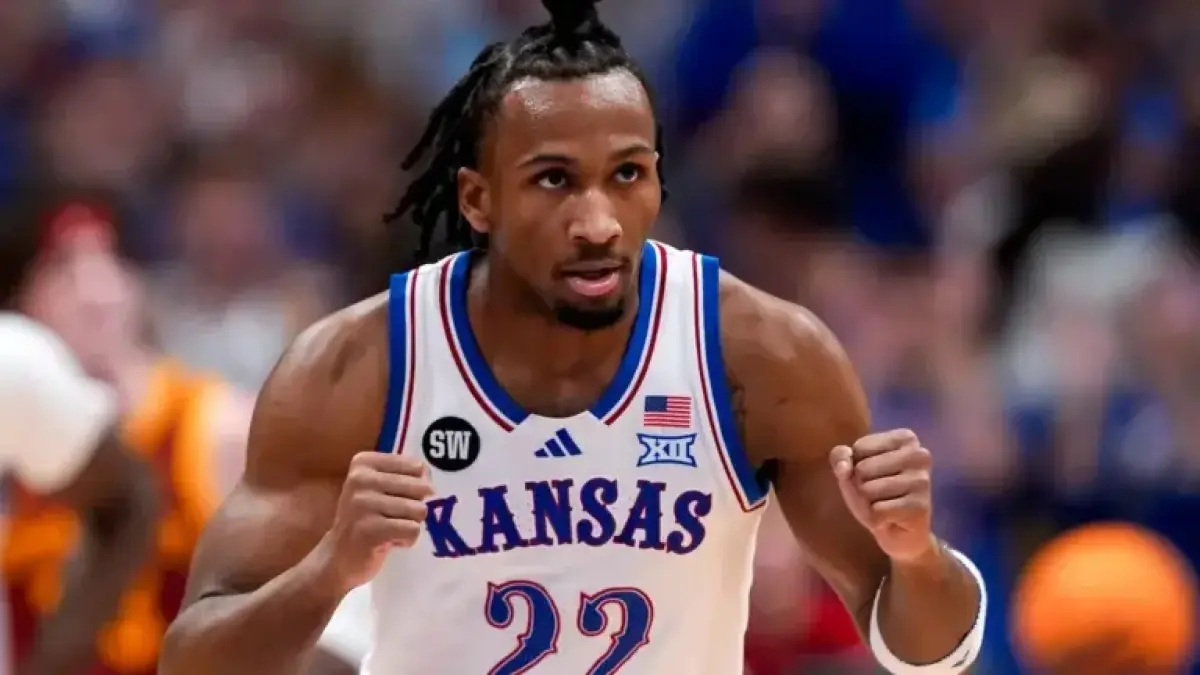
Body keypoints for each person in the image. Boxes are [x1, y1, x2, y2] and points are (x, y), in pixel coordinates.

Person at [160, 2, 988, 674]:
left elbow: (931, 655)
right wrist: (330, 570)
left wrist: (916, 555)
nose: (598, 221)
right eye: (554, 179)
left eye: (627, 174)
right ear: (477, 200)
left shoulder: (759, 354)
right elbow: (194, 661)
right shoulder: (361, 365)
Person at [1, 189, 253, 675]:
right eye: (62, 270)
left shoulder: (219, 426)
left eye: (110, 263)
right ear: (19, 298)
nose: (94, 293)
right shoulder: (12, 417)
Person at [0, 196, 160, 674]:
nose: (93, 296)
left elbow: (128, 502)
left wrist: (54, 661)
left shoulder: (13, 365)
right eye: (64, 271)